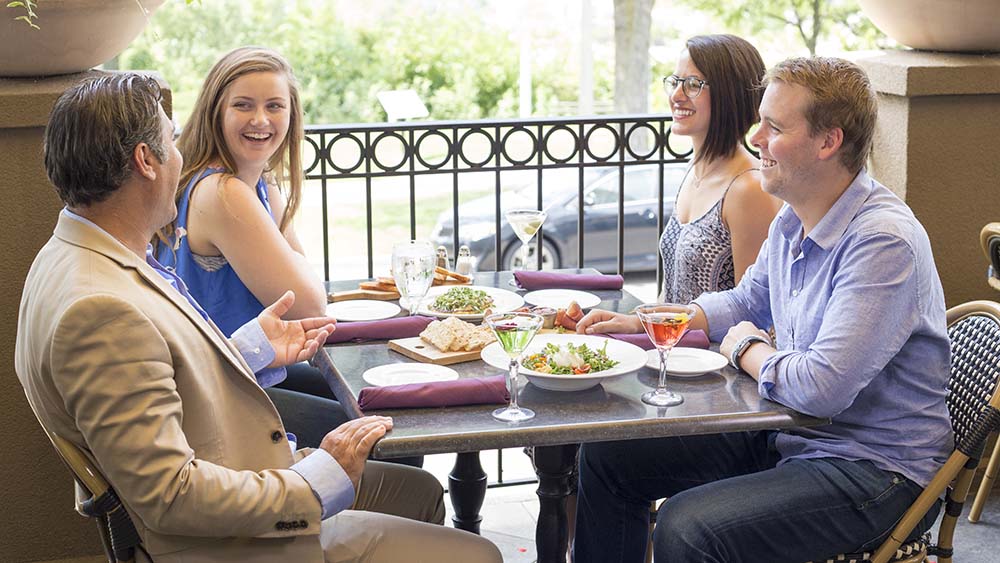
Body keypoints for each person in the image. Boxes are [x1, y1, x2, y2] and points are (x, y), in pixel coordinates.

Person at [15, 73, 501, 563]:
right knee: (480, 554)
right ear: (145, 161)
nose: (181, 156)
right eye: (172, 139)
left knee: (418, 491)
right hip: (231, 543)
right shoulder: (100, 312)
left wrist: (250, 348)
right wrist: (319, 480)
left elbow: (159, 370)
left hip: (240, 473)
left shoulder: (73, 254)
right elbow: (171, 496)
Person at [571, 57, 952, 563]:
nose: (755, 137)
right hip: (793, 434)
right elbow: (746, 302)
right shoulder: (796, 216)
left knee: (688, 527)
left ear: (827, 142)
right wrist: (652, 320)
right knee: (607, 456)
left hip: (874, 471)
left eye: (773, 126)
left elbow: (820, 389)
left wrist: (745, 347)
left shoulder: (882, 241)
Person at [153, 46, 367, 453]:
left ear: (291, 115)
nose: (260, 120)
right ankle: (322, 513)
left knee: (369, 398)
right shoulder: (222, 192)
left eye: (274, 106)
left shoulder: (256, 182)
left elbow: (303, 280)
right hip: (218, 396)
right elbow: (310, 304)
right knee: (380, 428)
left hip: (244, 371)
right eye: (243, 106)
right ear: (216, 111)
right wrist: (301, 275)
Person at [659, 34, 781, 303]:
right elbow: (667, 296)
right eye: (675, 82)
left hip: (713, 345)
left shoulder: (748, 189)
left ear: (729, 95)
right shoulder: (693, 171)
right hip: (671, 341)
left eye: (693, 84)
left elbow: (752, 310)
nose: (677, 96)